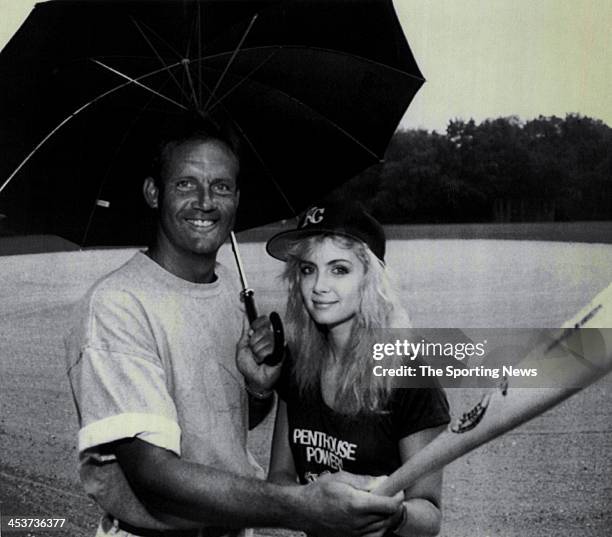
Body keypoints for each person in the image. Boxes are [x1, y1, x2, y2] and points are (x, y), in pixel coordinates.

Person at [65, 120, 404, 537]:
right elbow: (153, 477)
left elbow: (225, 423)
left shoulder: (229, 287)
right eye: (186, 184)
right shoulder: (117, 304)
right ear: (154, 193)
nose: (206, 201)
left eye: (221, 186)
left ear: (237, 198)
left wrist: (258, 386)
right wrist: (299, 506)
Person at [265, 202, 451, 536]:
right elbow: (279, 477)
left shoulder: (408, 372)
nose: (319, 285)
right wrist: (315, 500)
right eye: (308, 269)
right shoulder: (297, 363)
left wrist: (389, 513)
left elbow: (429, 515)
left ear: (370, 278)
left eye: (339, 269)